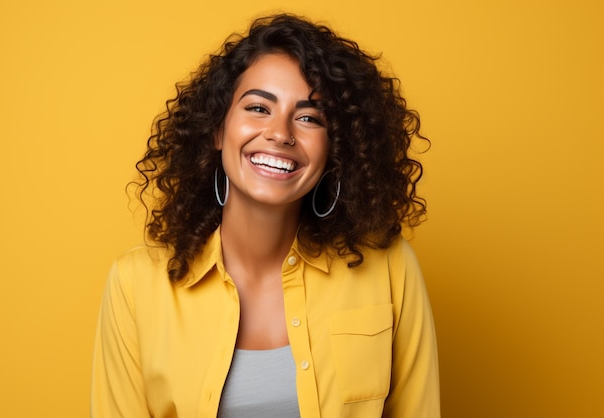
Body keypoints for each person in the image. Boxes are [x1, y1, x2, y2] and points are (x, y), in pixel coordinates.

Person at [91, 13, 440, 417]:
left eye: (309, 117)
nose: (280, 133)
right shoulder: (136, 286)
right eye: (258, 108)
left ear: (335, 149)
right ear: (217, 131)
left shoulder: (389, 268)